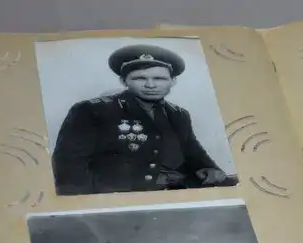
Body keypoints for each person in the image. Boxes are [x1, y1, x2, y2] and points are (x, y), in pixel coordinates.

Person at [52, 44, 230, 196]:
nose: (150, 85)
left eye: (159, 78)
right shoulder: (92, 110)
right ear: (124, 81)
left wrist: (210, 169)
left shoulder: (179, 114)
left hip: (174, 194)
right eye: (140, 78)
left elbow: (194, 154)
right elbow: (69, 167)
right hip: (119, 198)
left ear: (173, 81)